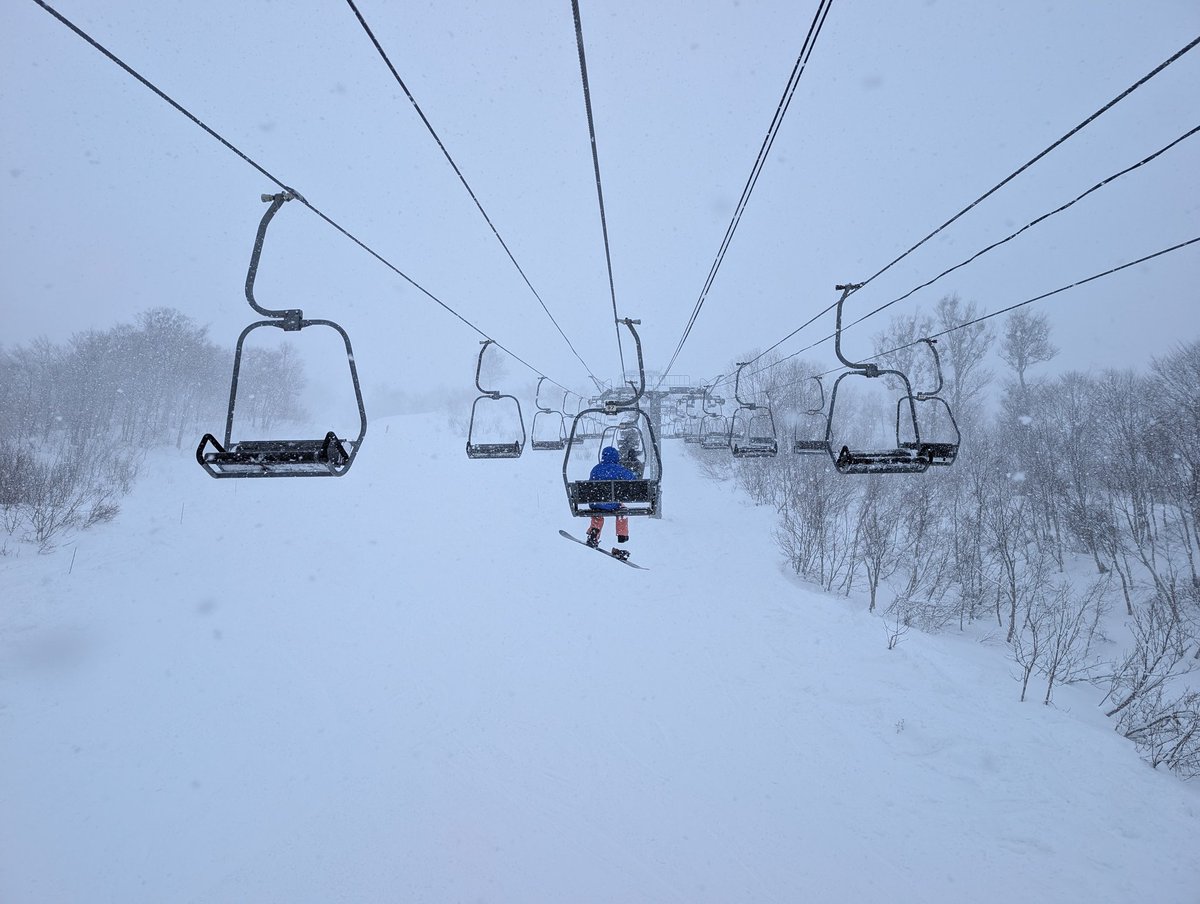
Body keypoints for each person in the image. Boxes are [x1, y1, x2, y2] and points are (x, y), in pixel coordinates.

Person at [586, 445, 635, 558]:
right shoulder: (619, 469)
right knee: (622, 510)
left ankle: (594, 532)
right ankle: (622, 535)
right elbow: (632, 478)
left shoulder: (596, 468)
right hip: (612, 504)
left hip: (596, 503)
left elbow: (590, 485)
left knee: (597, 513)